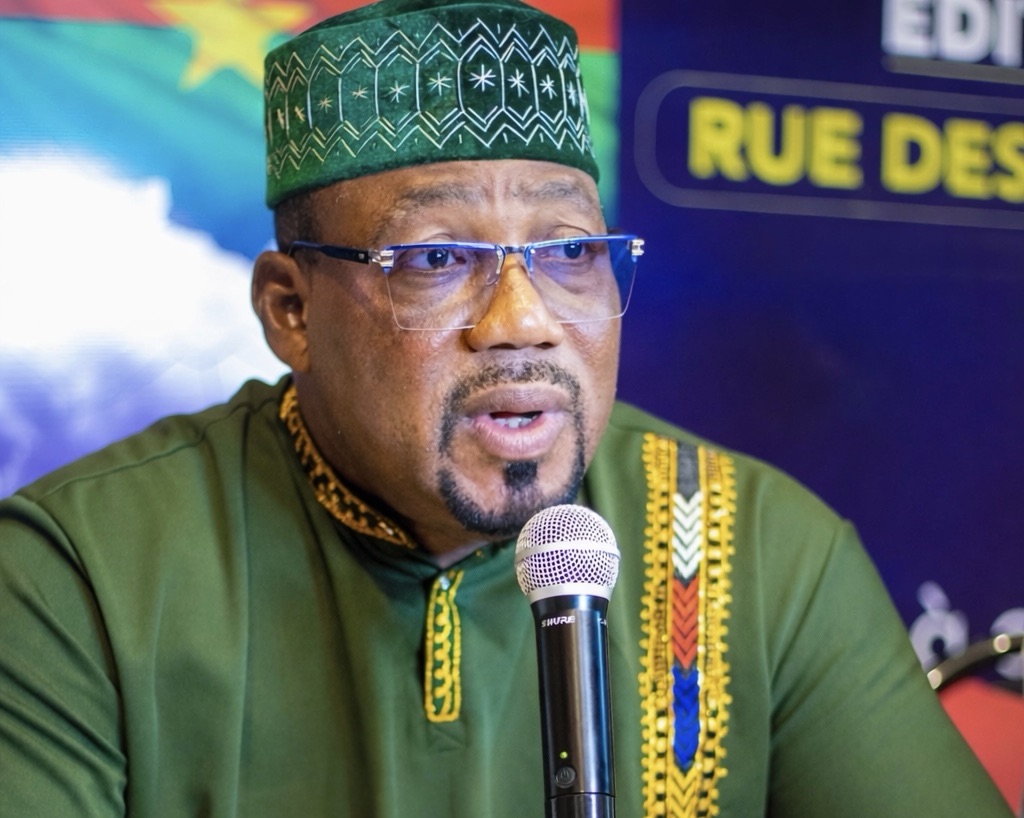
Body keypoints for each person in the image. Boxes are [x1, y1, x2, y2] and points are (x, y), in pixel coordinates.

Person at [0, 0, 1012, 815]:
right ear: (291, 310)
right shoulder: (80, 574)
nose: (524, 320)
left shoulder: (761, 550)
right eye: (439, 258)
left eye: (569, 251)